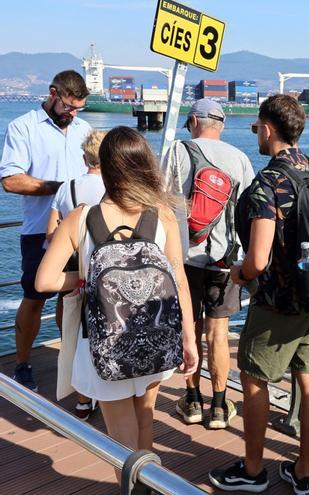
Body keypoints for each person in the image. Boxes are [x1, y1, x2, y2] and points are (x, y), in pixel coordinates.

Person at [33, 126, 198, 466]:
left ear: (104, 167)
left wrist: (85, 277)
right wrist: (190, 339)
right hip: (155, 336)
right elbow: (179, 281)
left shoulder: (82, 218)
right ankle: (153, 485)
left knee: (122, 446)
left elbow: (44, 281)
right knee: (145, 426)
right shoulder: (162, 215)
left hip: (103, 344)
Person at [209, 94, 309, 495]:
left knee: (254, 379)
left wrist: (239, 275)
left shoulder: (270, 182)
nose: (256, 134)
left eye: (257, 127)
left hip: (279, 302)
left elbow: (258, 260)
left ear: (268, 129)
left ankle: (254, 469)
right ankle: (304, 471)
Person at [161, 99, 255, 430]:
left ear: (194, 122)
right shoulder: (241, 159)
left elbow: (160, 203)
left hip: (184, 257)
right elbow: (249, 211)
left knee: (191, 328)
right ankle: (218, 406)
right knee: (218, 333)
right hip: (224, 260)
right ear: (221, 125)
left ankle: (192, 401)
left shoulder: (176, 152)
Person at [0, 70, 93, 391]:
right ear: (53, 93)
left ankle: (69, 360)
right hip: (39, 231)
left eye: (79, 108)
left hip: (81, 231)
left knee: (72, 298)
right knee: (34, 297)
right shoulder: (23, 127)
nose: (73, 114)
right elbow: (11, 180)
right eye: (69, 106)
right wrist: (62, 190)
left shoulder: (84, 128)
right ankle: (22, 364)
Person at [44, 129, 107, 419]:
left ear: (85, 157)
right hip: (103, 266)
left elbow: (50, 233)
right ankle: (104, 391)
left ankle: (82, 399)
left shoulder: (66, 188)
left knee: (73, 330)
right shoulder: (115, 188)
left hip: (72, 267)